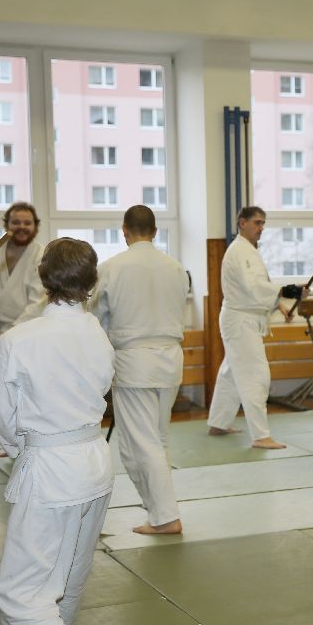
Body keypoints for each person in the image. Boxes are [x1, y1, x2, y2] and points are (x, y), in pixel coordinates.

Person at [0, 238, 115, 625]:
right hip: (95, 462)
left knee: (18, 597)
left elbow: (8, 425)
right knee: (67, 581)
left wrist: (28, 452)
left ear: (42, 280)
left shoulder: (15, 343)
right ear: (92, 282)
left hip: (52, 468)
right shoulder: (97, 334)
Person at [90, 205, 189, 535]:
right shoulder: (176, 268)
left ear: (124, 230)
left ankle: (164, 516)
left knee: (140, 444)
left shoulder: (112, 268)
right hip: (170, 358)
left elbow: (97, 318)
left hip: (134, 360)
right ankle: (159, 509)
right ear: (155, 231)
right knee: (157, 439)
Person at [207, 206, 303, 449]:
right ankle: (260, 435)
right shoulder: (239, 251)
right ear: (242, 223)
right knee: (255, 375)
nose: (261, 228)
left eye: (263, 223)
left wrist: (278, 303)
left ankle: (218, 422)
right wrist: (283, 291)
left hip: (244, 317)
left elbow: (256, 288)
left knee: (231, 372)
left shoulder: (248, 251)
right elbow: (252, 287)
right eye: (257, 223)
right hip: (240, 321)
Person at [0, 201, 47, 334]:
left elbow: (38, 302)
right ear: (7, 224)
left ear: (35, 226)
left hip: (28, 328)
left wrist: (13, 332)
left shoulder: (41, 256)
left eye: (27, 223)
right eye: (16, 222)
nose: (22, 227)